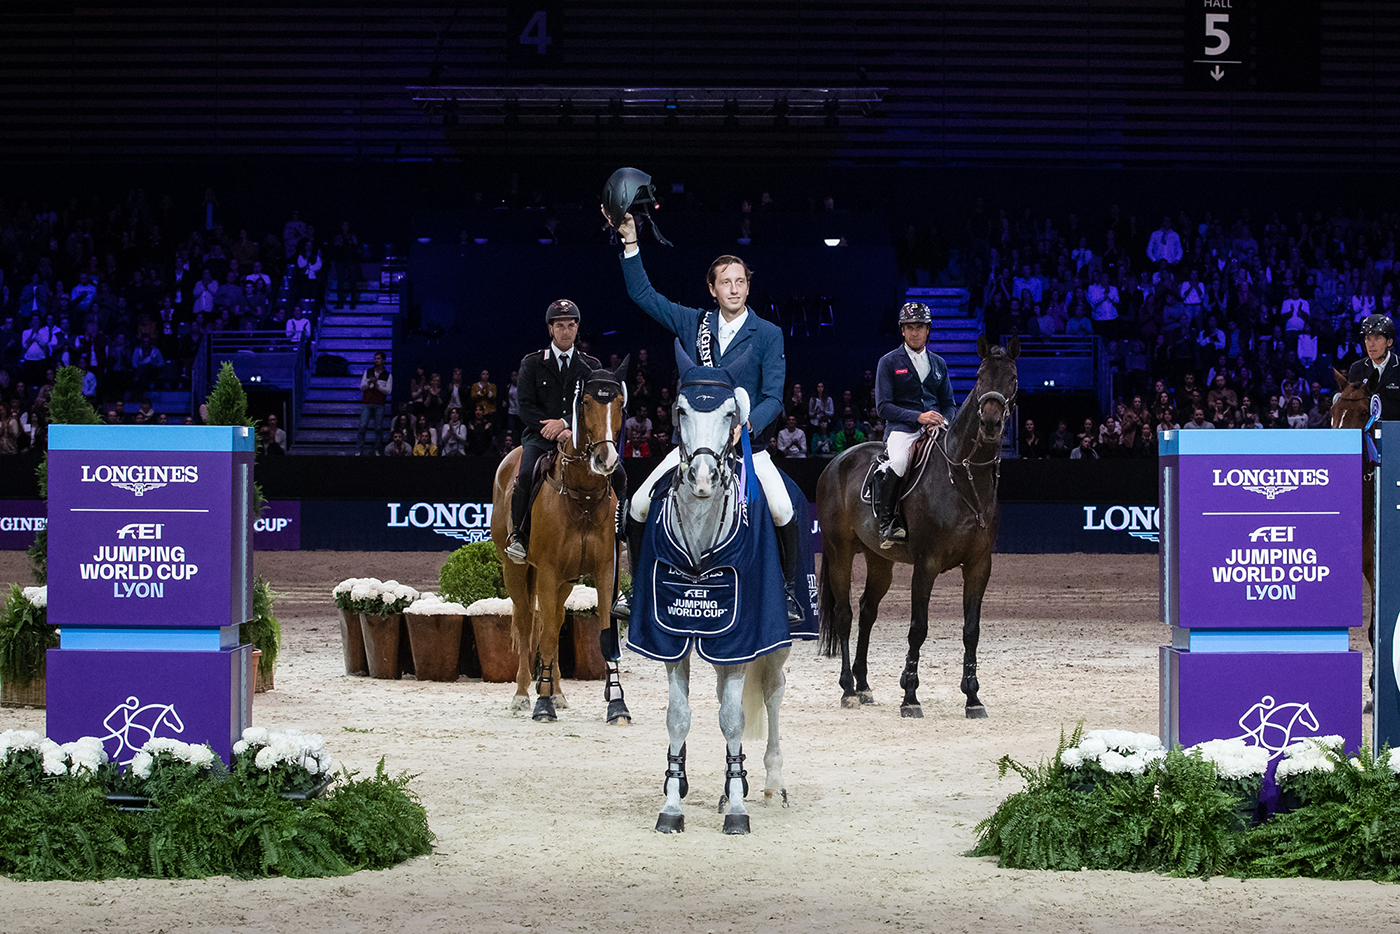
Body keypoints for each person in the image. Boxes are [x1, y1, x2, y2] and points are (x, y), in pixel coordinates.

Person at [608, 209, 802, 621]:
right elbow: (645, 296)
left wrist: (746, 426)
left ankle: (787, 594)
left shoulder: (767, 333)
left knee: (783, 508)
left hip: (748, 445)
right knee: (640, 504)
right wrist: (629, 241)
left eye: (741, 281)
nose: (734, 288)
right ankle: (638, 589)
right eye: (726, 282)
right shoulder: (694, 322)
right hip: (691, 447)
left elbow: (773, 396)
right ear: (712, 289)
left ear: (749, 286)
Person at [505, 300, 625, 565]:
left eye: (571, 325)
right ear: (550, 329)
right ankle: (519, 537)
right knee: (525, 475)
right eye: (560, 326)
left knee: (618, 472)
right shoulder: (532, 364)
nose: (566, 331)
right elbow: (524, 408)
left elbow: (597, 407)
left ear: (577, 327)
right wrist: (550, 428)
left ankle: (621, 531)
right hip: (539, 437)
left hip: (579, 438)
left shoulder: (590, 366)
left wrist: (566, 423)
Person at [871, 302, 956, 546]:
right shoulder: (888, 362)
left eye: (919, 327)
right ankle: (887, 523)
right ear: (902, 331)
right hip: (902, 430)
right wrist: (919, 417)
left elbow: (949, 403)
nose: (915, 332)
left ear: (928, 330)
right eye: (910, 327)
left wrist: (943, 420)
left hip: (935, 430)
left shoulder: (939, 363)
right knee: (898, 461)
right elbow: (883, 407)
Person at [1347, 314, 1400, 420]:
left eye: (1377, 338)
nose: (1371, 344)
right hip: (1366, 432)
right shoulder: (1357, 368)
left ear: (1389, 342)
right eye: (1368, 339)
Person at [356, 351, 392, 455]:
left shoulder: (387, 375)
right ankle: (359, 449)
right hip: (367, 402)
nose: (376, 360)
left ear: (384, 361)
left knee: (378, 428)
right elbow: (361, 387)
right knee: (363, 426)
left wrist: (377, 385)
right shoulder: (368, 372)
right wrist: (369, 382)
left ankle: (377, 449)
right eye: (375, 358)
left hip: (379, 403)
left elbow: (388, 391)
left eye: (379, 359)